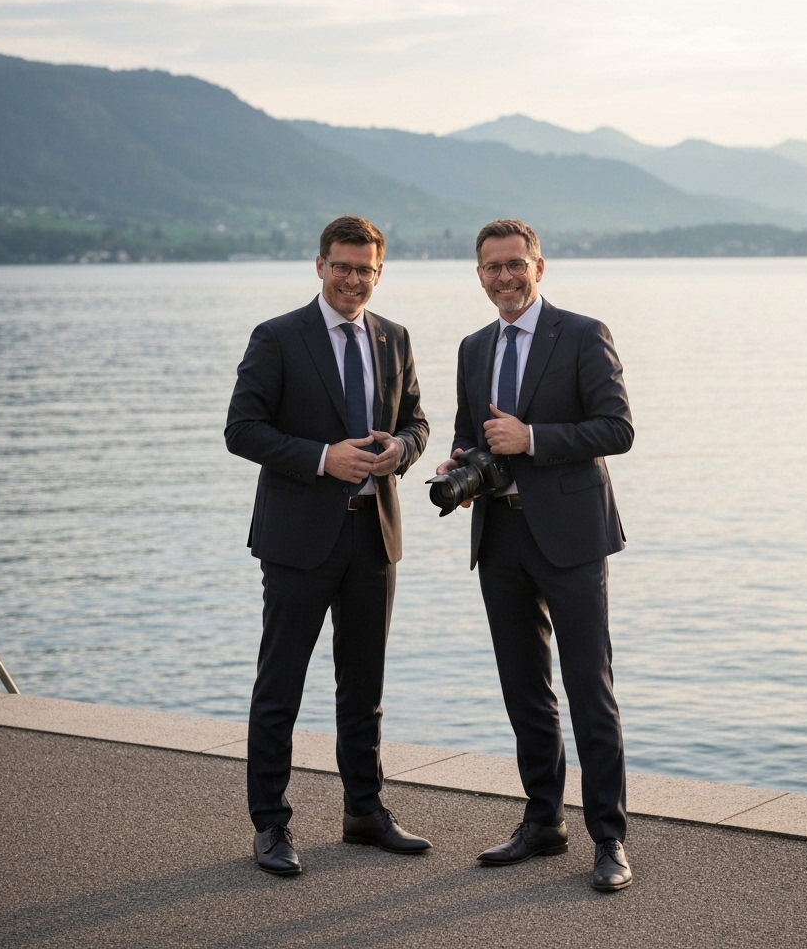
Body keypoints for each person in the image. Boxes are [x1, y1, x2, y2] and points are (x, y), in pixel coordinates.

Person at [226, 215, 431, 876]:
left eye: (364, 269)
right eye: (341, 266)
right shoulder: (278, 337)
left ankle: (364, 812)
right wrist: (321, 458)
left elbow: (418, 422)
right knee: (279, 684)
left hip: (374, 537)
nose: (352, 279)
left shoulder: (394, 338)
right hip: (297, 540)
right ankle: (271, 826)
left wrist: (402, 449)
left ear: (379, 272)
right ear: (319, 266)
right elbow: (243, 429)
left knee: (363, 686)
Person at [436, 219, 635, 891]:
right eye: (492, 267)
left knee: (589, 692)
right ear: (480, 275)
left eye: (516, 264)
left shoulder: (583, 334)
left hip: (573, 538)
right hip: (501, 536)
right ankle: (543, 821)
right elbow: (473, 433)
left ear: (539, 267)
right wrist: (462, 464)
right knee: (525, 689)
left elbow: (617, 428)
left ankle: (608, 840)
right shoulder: (472, 347)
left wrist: (533, 439)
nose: (505, 277)